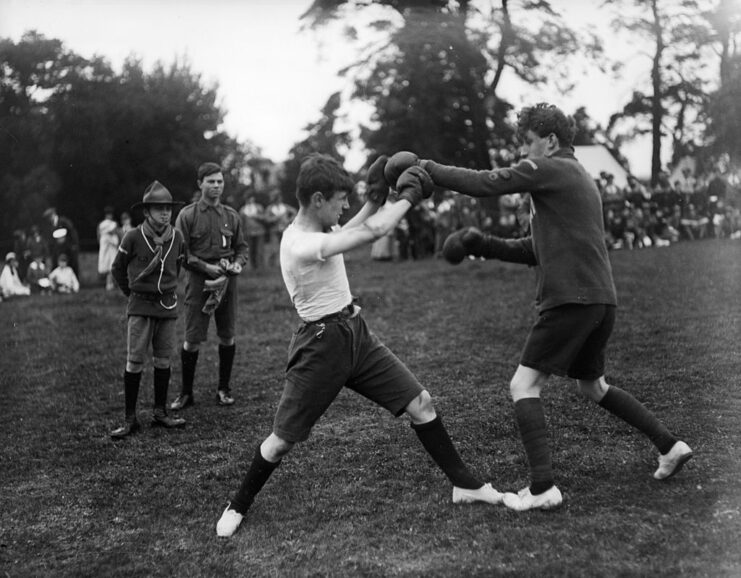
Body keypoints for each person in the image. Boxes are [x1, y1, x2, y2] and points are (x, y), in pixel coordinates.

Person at [386, 102, 693, 512]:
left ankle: (543, 487)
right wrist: (482, 244)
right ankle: (670, 445)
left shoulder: (550, 168)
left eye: (528, 143)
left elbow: (484, 182)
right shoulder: (578, 179)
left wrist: (427, 167)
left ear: (549, 141)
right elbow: (537, 249)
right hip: (600, 301)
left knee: (523, 386)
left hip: (570, 299)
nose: (523, 153)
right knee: (593, 387)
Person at [215, 154, 503, 538]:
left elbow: (347, 229)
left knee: (421, 403)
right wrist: (405, 198)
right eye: (339, 199)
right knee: (281, 441)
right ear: (317, 199)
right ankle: (238, 504)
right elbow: (369, 233)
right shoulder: (300, 244)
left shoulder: (318, 232)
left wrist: (372, 197)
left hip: (356, 334)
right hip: (320, 347)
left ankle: (464, 484)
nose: (345, 206)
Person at [109, 181, 187, 438]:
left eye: (168, 208)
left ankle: (160, 412)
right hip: (140, 306)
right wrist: (130, 293)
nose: (165, 213)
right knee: (135, 361)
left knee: (163, 359)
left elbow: (179, 263)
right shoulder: (132, 236)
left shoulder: (176, 236)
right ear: (146, 212)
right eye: (159, 208)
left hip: (167, 306)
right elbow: (117, 268)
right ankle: (130, 418)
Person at [170, 162, 249, 410]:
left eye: (220, 181)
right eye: (211, 181)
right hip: (198, 281)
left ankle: (224, 389)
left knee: (227, 334)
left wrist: (237, 263)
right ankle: (185, 394)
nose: (216, 186)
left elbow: (241, 248)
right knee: (192, 337)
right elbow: (181, 253)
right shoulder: (188, 215)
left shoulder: (231, 216)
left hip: (227, 281)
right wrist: (205, 267)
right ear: (200, 184)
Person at [42, 207, 80, 277]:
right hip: (58, 250)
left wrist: (74, 245)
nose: (50, 219)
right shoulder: (51, 226)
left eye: (50, 216)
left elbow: (72, 232)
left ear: (54, 214)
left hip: (68, 249)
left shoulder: (64, 221)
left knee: (71, 266)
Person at [264, 188, 297, 267]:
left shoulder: (285, 207)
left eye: (279, 197)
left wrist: (289, 220)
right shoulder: (270, 208)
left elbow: (295, 212)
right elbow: (266, 219)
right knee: (274, 248)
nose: (279, 199)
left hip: (285, 229)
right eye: (278, 198)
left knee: (286, 247)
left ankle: (284, 264)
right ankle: (271, 264)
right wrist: (274, 218)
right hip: (274, 230)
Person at [239, 194, 267, 270]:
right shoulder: (243, 209)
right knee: (251, 250)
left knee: (259, 250)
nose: (251, 200)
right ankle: (253, 267)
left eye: (252, 198)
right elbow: (241, 222)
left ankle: (261, 267)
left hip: (259, 231)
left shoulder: (259, 207)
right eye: (249, 199)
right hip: (248, 232)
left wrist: (257, 217)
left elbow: (265, 218)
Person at [97, 206, 120, 291]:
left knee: (112, 266)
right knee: (108, 266)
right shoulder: (104, 224)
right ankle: (109, 284)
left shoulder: (111, 224)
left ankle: (111, 283)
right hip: (107, 247)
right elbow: (103, 234)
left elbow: (114, 232)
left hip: (112, 247)